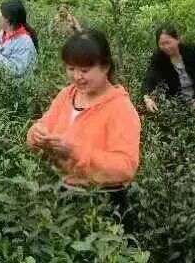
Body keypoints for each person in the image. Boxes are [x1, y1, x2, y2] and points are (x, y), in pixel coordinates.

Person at [27, 30, 140, 201]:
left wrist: (75, 152)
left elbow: (125, 167)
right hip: (61, 190)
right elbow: (42, 126)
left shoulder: (120, 107)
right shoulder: (67, 95)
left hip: (102, 200)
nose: (77, 76)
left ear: (105, 67)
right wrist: (36, 135)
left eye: (85, 70)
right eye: (71, 68)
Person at [141, 25, 195, 113]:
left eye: (168, 42)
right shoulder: (159, 57)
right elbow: (150, 77)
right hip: (176, 102)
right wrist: (147, 99)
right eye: (162, 44)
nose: (166, 47)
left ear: (177, 39)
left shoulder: (190, 51)